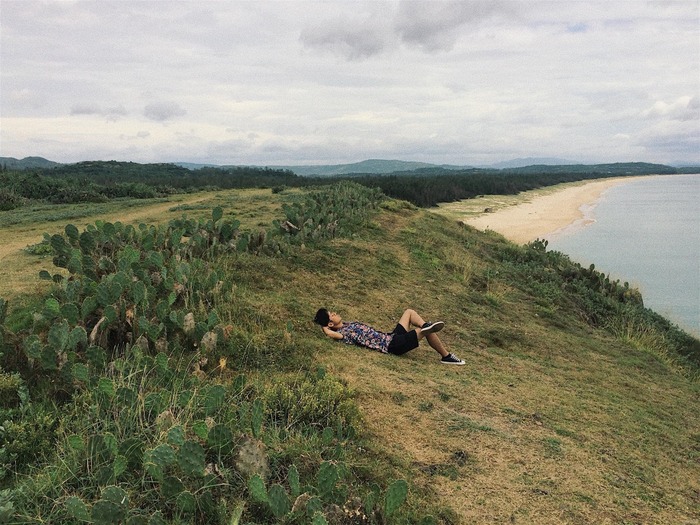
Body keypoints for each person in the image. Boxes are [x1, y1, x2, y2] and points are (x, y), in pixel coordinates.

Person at [313, 307, 465, 365]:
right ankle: (446, 356)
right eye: (331, 315)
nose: (334, 313)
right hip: (392, 346)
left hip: (391, 337)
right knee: (425, 331)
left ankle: (426, 326)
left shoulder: (347, 325)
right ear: (331, 324)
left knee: (409, 312)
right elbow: (331, 335)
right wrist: (325, 328)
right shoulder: (343, 334)